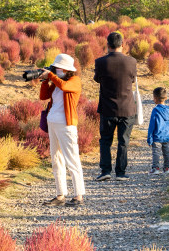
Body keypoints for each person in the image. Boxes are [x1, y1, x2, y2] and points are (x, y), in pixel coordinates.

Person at [39, 54, 86, 207]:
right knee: (56, 159)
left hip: (66, 125)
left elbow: (65, 87)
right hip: (53, 123)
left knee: (71, 159)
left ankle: (78, 195)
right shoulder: (57, 82)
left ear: (66, 70)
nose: (56, 70)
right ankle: (60, 195)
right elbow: (43, 96)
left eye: (58, 68)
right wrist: (46, 80)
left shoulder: (74, 81)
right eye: (54, 68)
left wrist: (51, 75)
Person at [93, 31, 137, 181]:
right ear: (122, 44)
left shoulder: (100, 62)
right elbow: (132, 80)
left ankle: (105, 171)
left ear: (107, 45)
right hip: (127, 108)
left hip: (107, 108)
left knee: (105, 140)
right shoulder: (132, 62)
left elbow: (97, 79)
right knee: (123, 141)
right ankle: (121, 172)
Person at [147, 87, 169, 174]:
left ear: (155, 99)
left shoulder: (155, 110)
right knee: (166, 152)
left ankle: (156, 168)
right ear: (165, 98)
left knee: (156, 153)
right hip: (166, 136)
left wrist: (149, 138)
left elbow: (152, 125)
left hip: (157, 136)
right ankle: (167, 168)